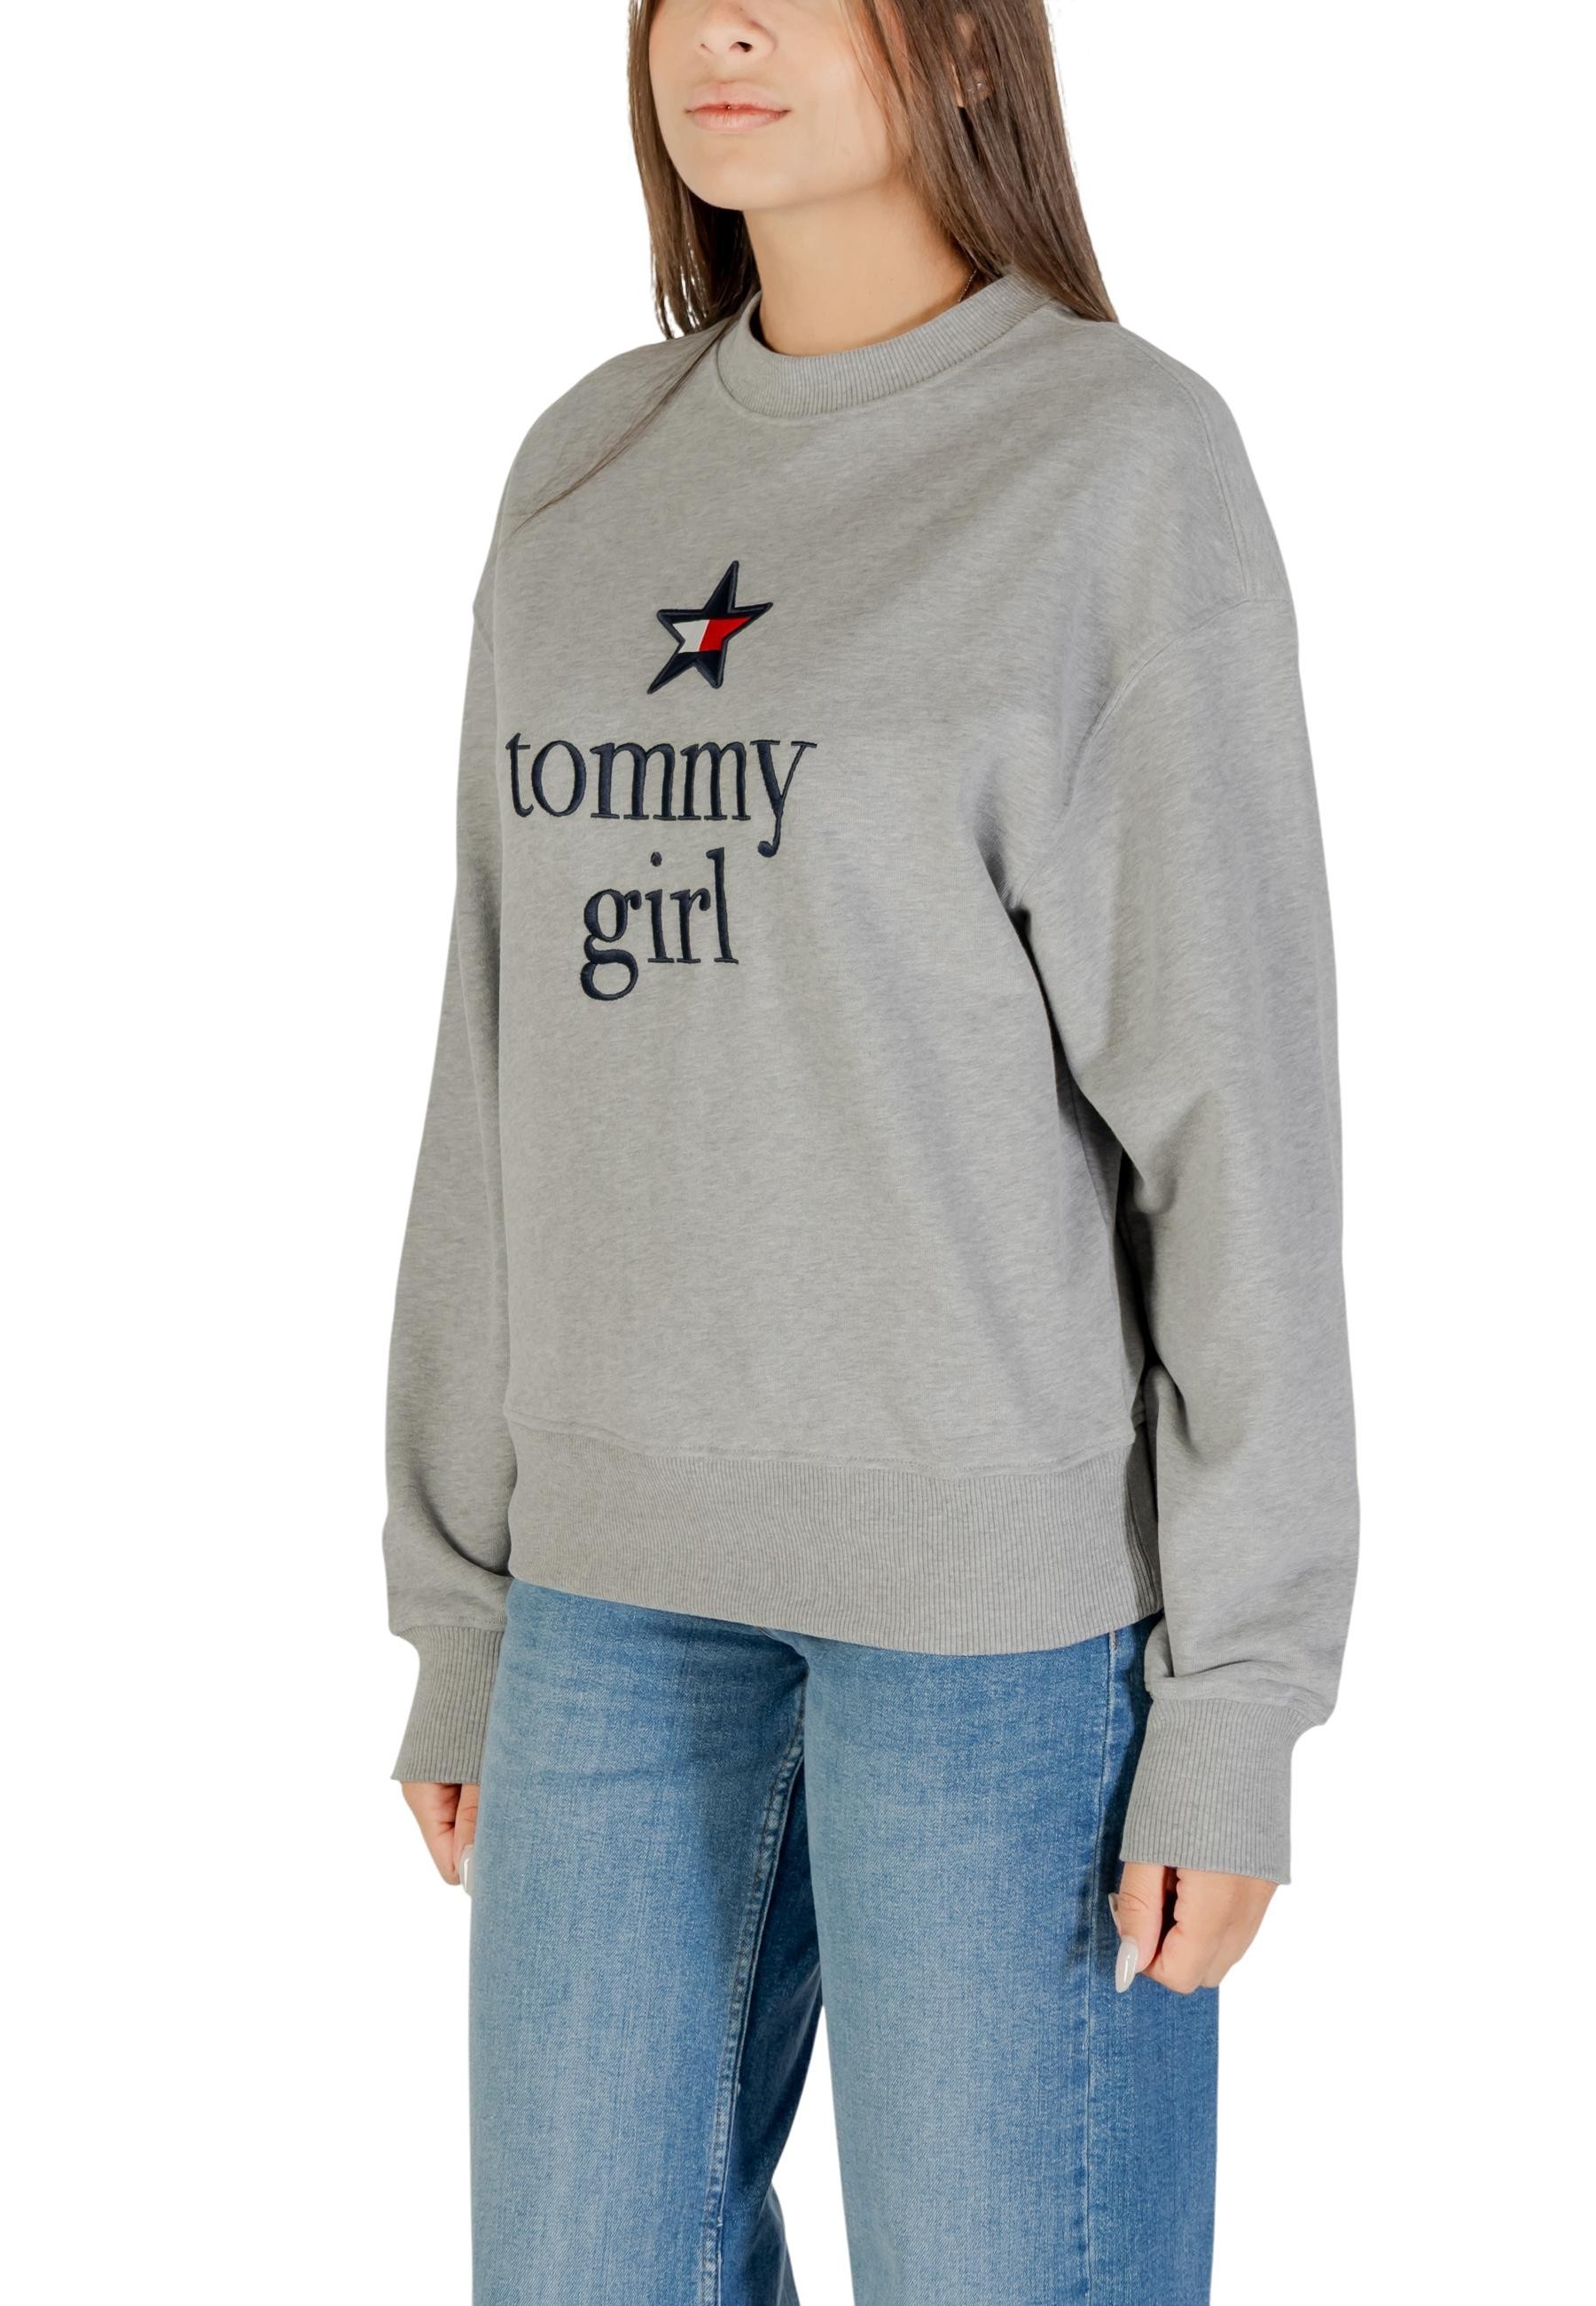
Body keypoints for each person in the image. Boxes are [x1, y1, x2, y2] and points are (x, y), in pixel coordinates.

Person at [379, 4, 1359, 2299]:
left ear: (965, 47)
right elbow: (498, 1056)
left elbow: (1235, 1118)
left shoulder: (1117, 465)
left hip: (1000, 1624)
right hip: (609, 1595)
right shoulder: (585, 470)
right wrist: (461, 1609)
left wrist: (1238, 1703)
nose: (726, 26)